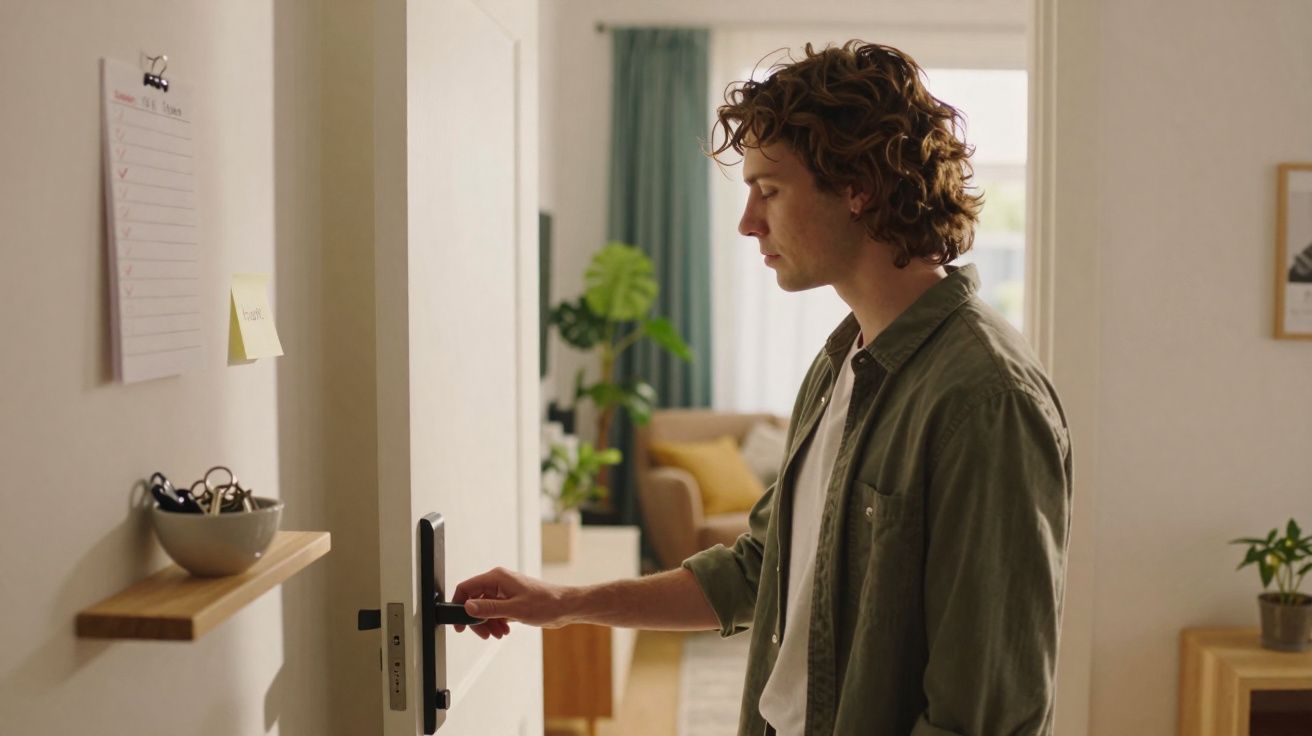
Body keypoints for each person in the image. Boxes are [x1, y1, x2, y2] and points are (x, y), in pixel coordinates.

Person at [454, 40, 1073, 736]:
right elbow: (759, 571)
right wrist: (563, 603)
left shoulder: (987, 401)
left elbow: (985, 717)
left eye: (769, 190)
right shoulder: (841, 363)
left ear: (859, 187)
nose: (749, 222)